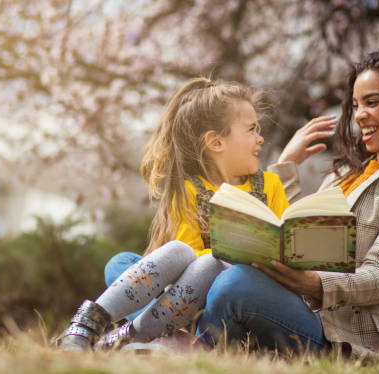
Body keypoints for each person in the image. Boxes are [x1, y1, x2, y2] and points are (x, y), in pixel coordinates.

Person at [196, 46, 379, 362]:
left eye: (372, 103)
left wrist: (316, 285)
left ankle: (183, 353)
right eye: (356, 105)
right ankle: (163, 343)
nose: (359, 115)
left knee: (235, 284)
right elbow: (296, 230)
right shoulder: (345, 173)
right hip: (305, 312)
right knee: (141, 261)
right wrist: (287, 164)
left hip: (350, 337)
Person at [54, 77, 289, 351]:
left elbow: (283, 242)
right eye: (251, 130)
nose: (260, 137)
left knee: (212, 264)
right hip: (187, 297)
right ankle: (85, 328)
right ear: (216, 142)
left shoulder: (270, 185)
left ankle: (139, 336)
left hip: (234, 297)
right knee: (124, 263)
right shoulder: (189, 190)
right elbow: (187, 256)